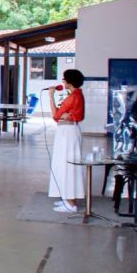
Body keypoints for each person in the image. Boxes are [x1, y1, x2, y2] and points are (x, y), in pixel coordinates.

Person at [49, 69, 86, 213]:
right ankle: (68, 198)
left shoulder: (73, 97)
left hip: (67, 132)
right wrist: (64, 114)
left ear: (69, 82)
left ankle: (70, 203)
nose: (63, 81)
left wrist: (51, 97)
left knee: (67, 164)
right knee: (65, 163)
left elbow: (56, 116)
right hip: (69, 130)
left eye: (64, 79)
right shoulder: (76, 95)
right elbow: (62, 115)